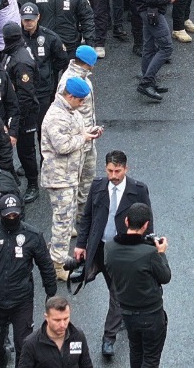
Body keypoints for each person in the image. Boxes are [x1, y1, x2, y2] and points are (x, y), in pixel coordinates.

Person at [72, 150, 153, 360]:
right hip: (99, 247)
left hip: (122, 251)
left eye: (118, 170)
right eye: (110, 170)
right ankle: (124, 315)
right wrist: (81, 244)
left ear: (126, 168)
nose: (114, 175)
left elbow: (147, 220)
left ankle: (109, 337)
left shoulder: (139, 190)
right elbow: (87, 217)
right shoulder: (98, 186)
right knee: (112, 287)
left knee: (117, 292)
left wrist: (147, 249)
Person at [0, 193, 59, 368]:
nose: (11, 218)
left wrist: (50, 293)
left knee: (24, 347)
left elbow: (45, 265)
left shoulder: (33, 236)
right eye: (7, 215)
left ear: (20, 213)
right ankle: (2, 358)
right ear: (0, 213)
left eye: (14, 214)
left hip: (21, 301)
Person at [101, 202, 170, 368]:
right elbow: (165, 277)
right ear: (146, 225)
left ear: (126, 221)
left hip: (127, 311)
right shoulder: (150, 253)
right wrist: (161, 254)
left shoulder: (109, 247)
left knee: (136, 351)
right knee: (151, 359)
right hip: (151, 314)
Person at [41, 77, 101, 269]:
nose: (82, 103)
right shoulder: (56, 116)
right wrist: (83, 138)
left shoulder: (70, 110)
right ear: (70, 96)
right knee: (63, 221)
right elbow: (63, 145)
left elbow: (75, 132)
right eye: (80, 100)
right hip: (59, 178)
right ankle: (57, 264)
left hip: (69, 176)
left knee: (65, 219)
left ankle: (57, 250)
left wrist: (89, 132)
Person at [16, 296, 93, 368]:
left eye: (66, 319)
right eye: (57, 320)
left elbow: (86, 364)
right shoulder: (31, 343)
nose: (62, 325)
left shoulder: (78, 335)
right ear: (46, 317)